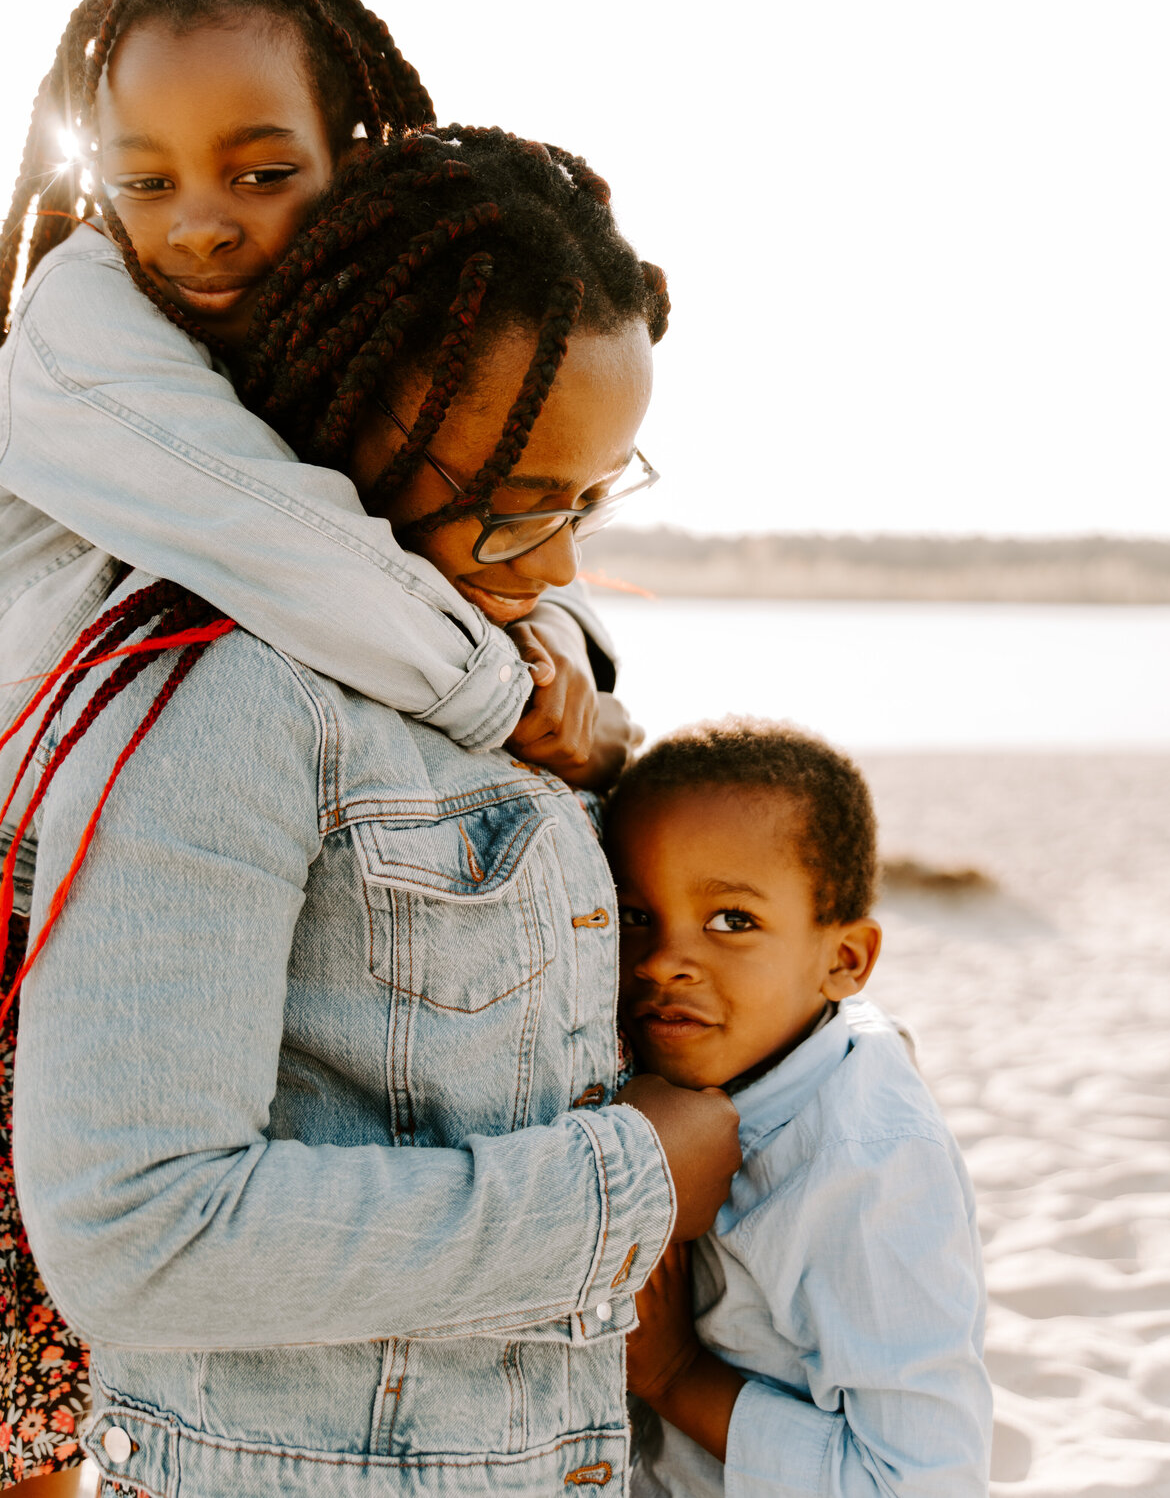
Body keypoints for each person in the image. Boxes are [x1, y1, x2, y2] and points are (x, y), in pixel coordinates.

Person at [14, 129, 743, 1498]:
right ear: (348, 414)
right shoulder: (230, 701)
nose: (568, 558)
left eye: (594, 498)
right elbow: (135, 1234)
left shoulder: (494, 665)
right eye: (523, 505)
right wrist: (628, 1184)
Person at [609, 719, 992, 1498]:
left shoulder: (868, 1166)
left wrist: (678, 1375)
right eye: (635, 913)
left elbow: (922, 1484)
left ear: (843, 962)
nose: (662, 961)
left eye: (732, 922)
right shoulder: (745, 1048)